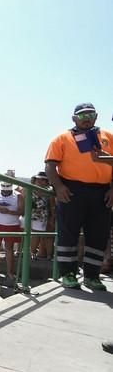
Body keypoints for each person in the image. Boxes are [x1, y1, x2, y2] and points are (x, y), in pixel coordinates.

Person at [45, 103, 113, 290]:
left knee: (98, 235)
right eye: (81, 115)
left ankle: (92, 277)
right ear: (74, 119)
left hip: (102, 192)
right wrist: (58, 187)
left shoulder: (108, 137)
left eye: (90, 114)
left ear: (96, 116)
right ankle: (68, 274)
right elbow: (50, 166)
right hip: (72, 191)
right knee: (68, 234)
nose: (86, 118)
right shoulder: (62, 138)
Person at [30, 171, 55, 260]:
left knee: (48, 237)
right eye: (38, 179)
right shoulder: (29, 189)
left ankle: (49, 256)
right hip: (31, 217)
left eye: (43, 180)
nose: (40, 181)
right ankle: (32, 253)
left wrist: (52, 219)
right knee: (34, 236)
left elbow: (52, 206)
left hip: (45, 217)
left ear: (47, 181)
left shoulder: (49, 191)